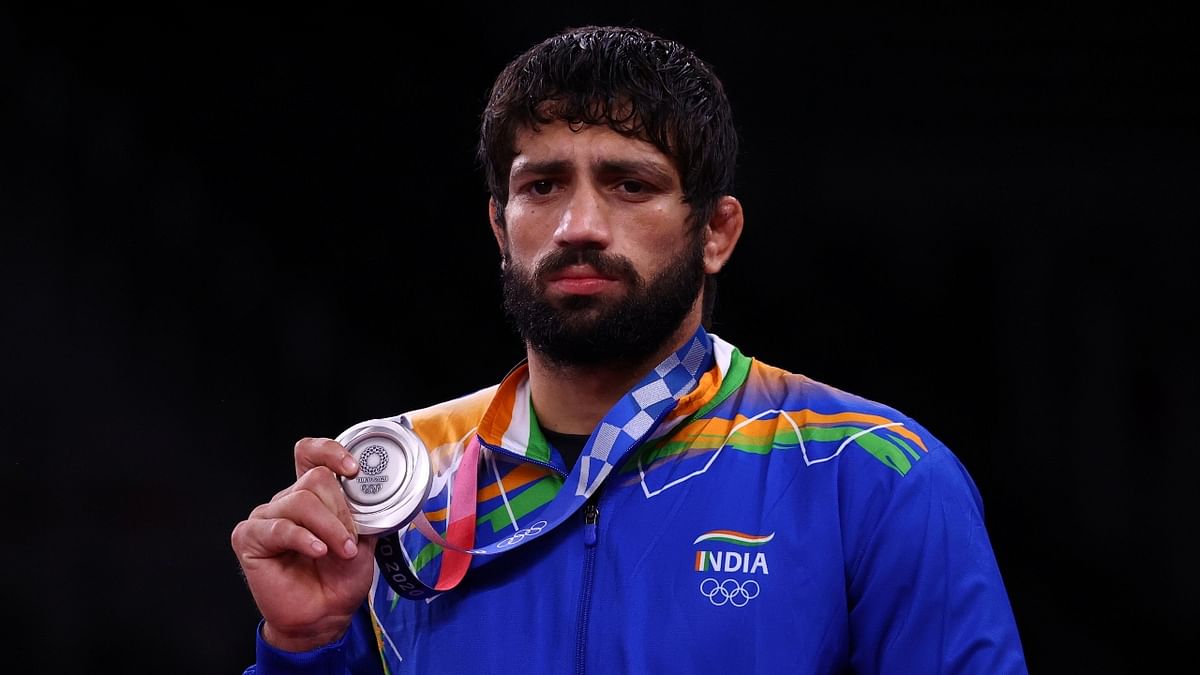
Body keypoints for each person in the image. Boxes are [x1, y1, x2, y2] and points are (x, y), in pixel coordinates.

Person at [231, 24, 1028, 674]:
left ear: (716, 232)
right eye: (543, 186)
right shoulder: (392, 487)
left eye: (629, 185)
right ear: (499, 228)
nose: (580, 225)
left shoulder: (871, 472)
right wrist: (302, 647)